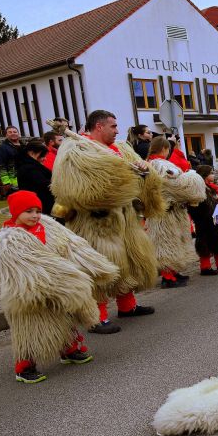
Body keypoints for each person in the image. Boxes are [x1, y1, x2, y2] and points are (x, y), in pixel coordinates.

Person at [50, 110, 164, 334]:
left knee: (129, 263)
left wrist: (143, 172)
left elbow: (142, 172)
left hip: (125, 219)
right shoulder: (76, 149)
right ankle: (97, 317)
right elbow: (77, 187)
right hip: (96, 222)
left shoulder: (121, 148)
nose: (118, 130)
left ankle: (127, 306)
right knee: (100, 269)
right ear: (99, 126)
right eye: (113, 126)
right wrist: (124, 178)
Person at [0, 190, 119, 383]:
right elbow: (21, 267)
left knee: (65, 318)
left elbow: (72, 245)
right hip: (30, 291)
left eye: (37, 210)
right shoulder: (7, 240)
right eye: (28, 211)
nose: (34, 215)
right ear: (16, 213)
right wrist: (58, 278)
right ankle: (25, 366)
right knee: (30, 329)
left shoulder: (48, 227)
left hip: (61, 284)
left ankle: (69, 350)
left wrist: (93, 264)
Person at [146, 153, 205, 288]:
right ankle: (167, 278)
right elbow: (171, 185)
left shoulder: (165, 165)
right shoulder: (157, 168)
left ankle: (174, 271)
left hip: (174, 214)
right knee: (165, 245)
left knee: (175, 244)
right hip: (164, 216)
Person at [16, 138, 54, 214]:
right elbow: (45, 184)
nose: (45, 158)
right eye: (42, 155)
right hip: (40, 206)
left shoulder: (30, 166)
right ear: (32, 153)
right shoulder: (29, 169)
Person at [0, 126, 22, 196]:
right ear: (6, 135)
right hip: (13, 184)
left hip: (25, 180)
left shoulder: (23, 146)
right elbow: (1, 165)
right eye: (10, 132)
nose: (13, 133)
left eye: (15, 132)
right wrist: (6, 183)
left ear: (18, 134)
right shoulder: (3, 147)